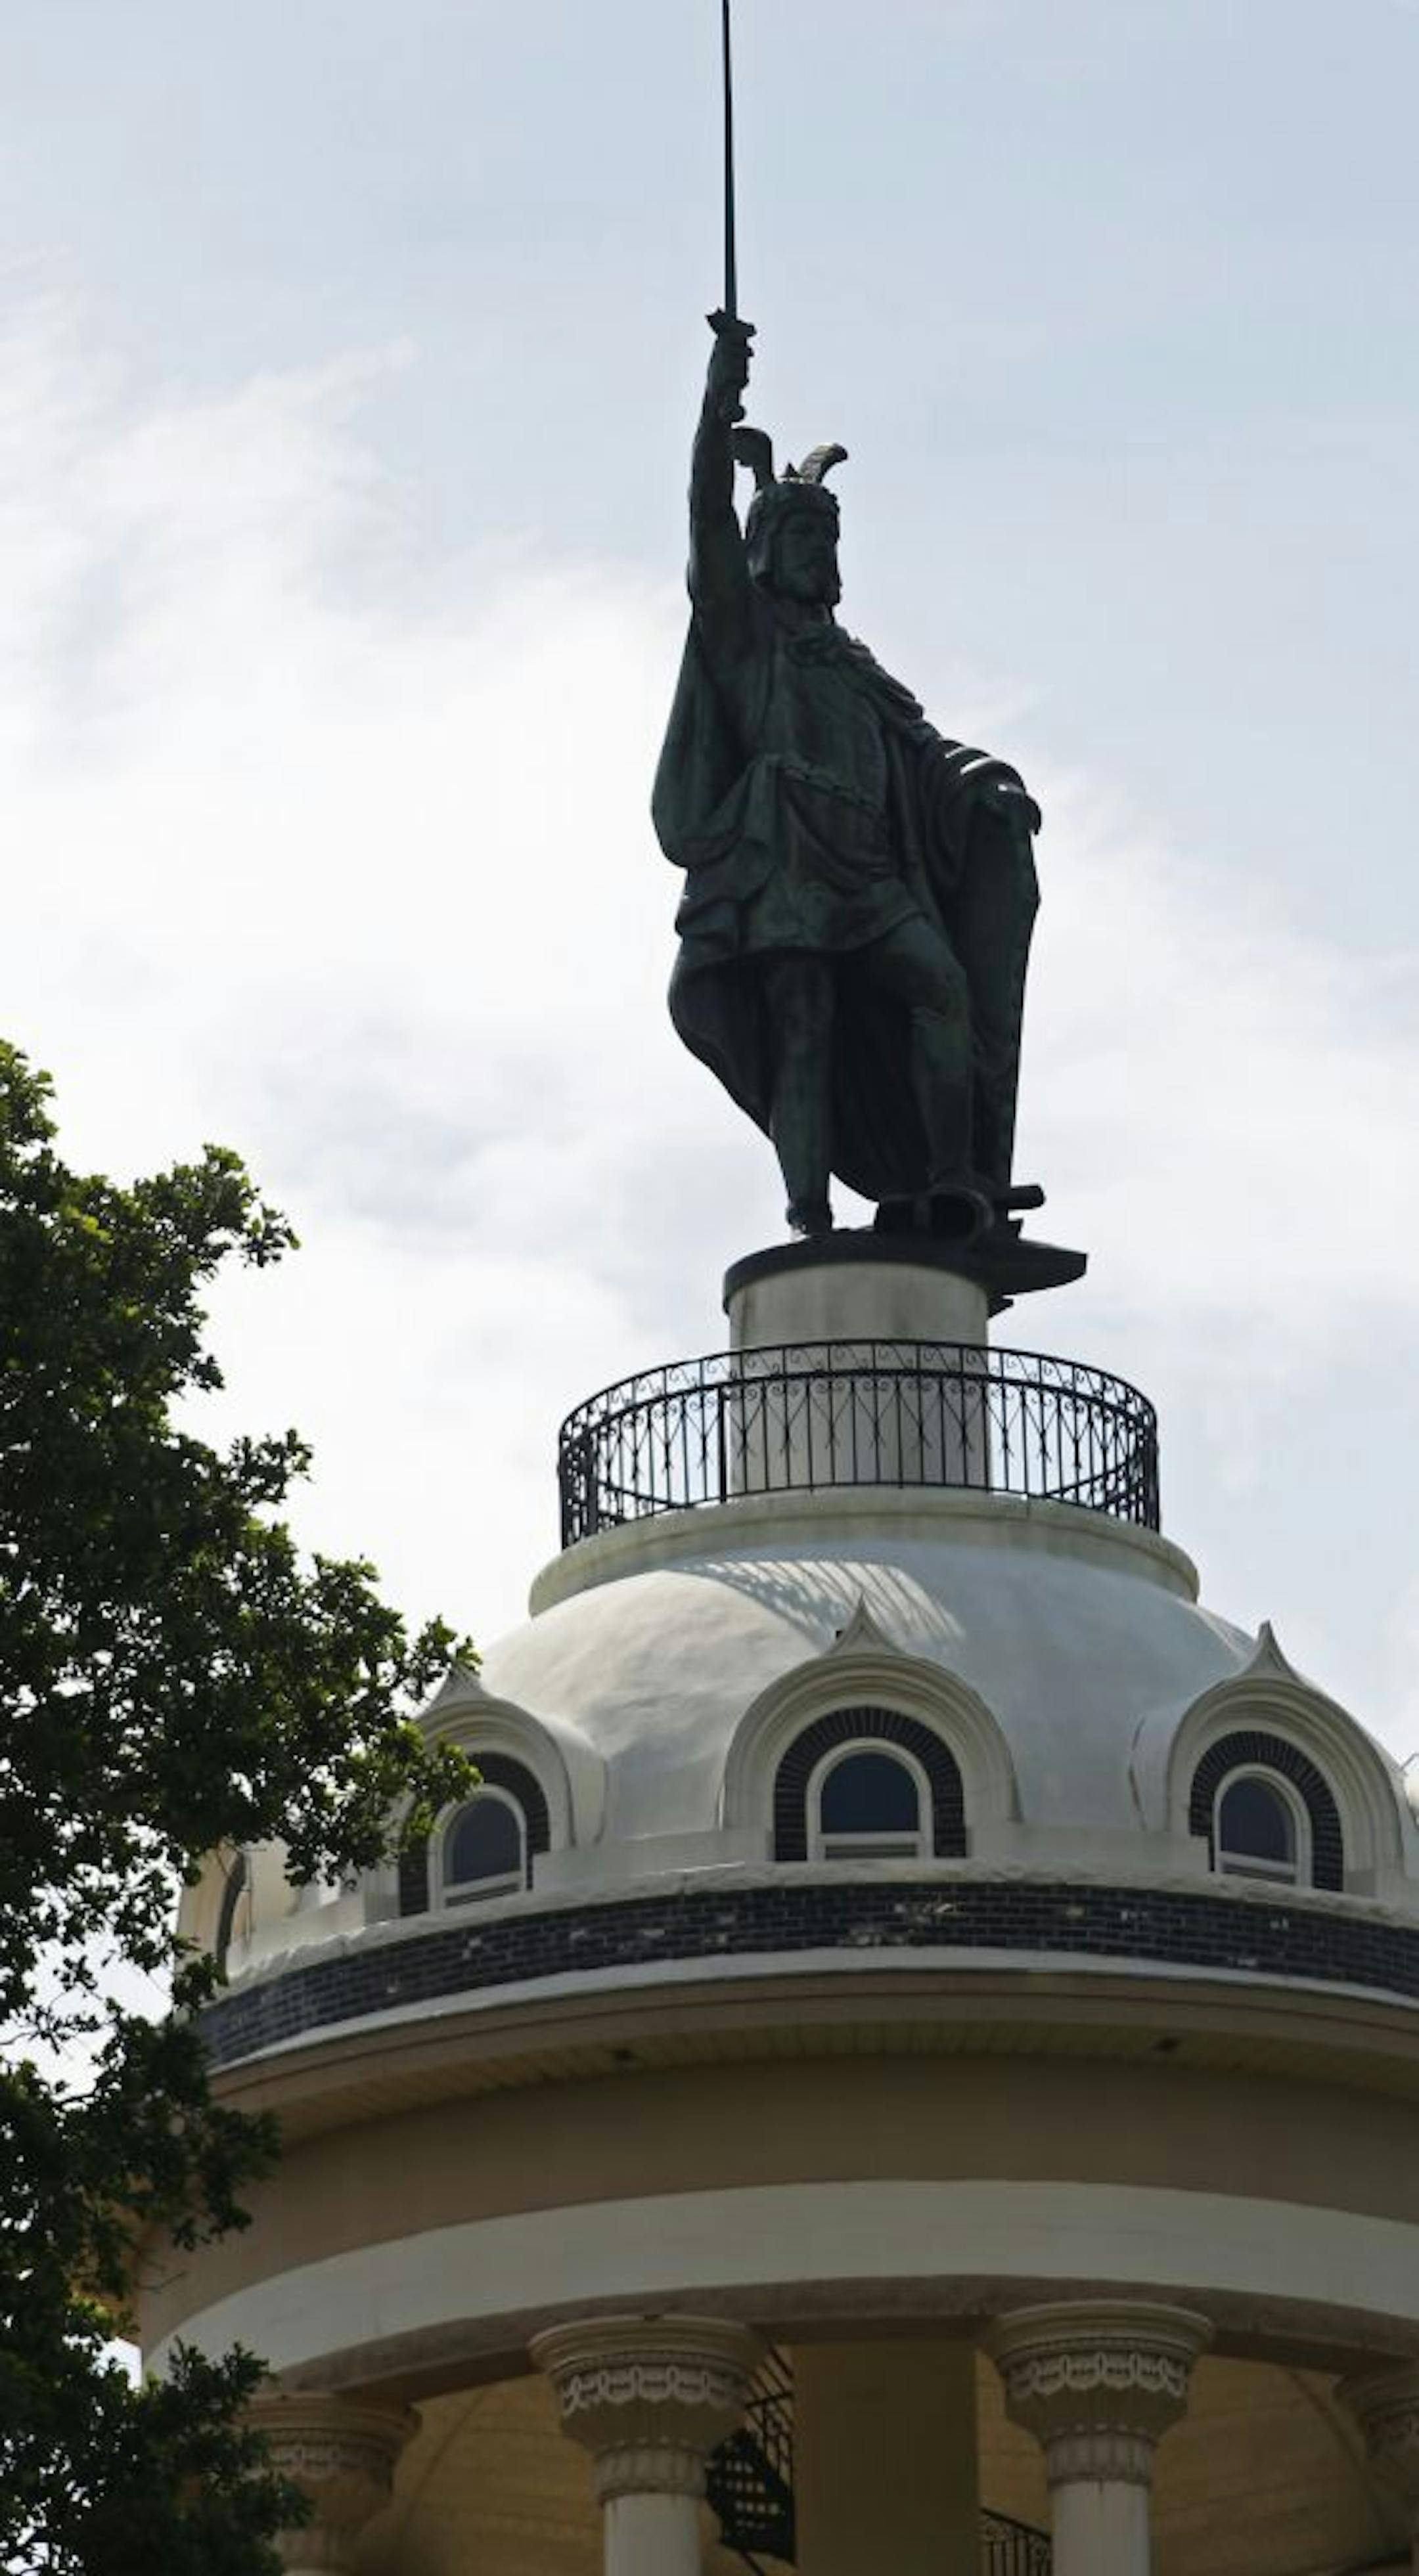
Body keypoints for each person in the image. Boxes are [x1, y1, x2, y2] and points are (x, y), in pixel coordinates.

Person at [653, 313, 1041, 1238]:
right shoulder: (748, 638)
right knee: (805, 1028)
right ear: (767, 551)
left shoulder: (853, 664)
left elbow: (919, 751)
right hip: (785, 861)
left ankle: (952, 1178)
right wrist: (717, 399)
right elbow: (707, 519)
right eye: (801, 537)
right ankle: (811, 1217)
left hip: (869, 871)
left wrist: (980, 788)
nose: (819, 553)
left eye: (827, 539)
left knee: (942, 989)